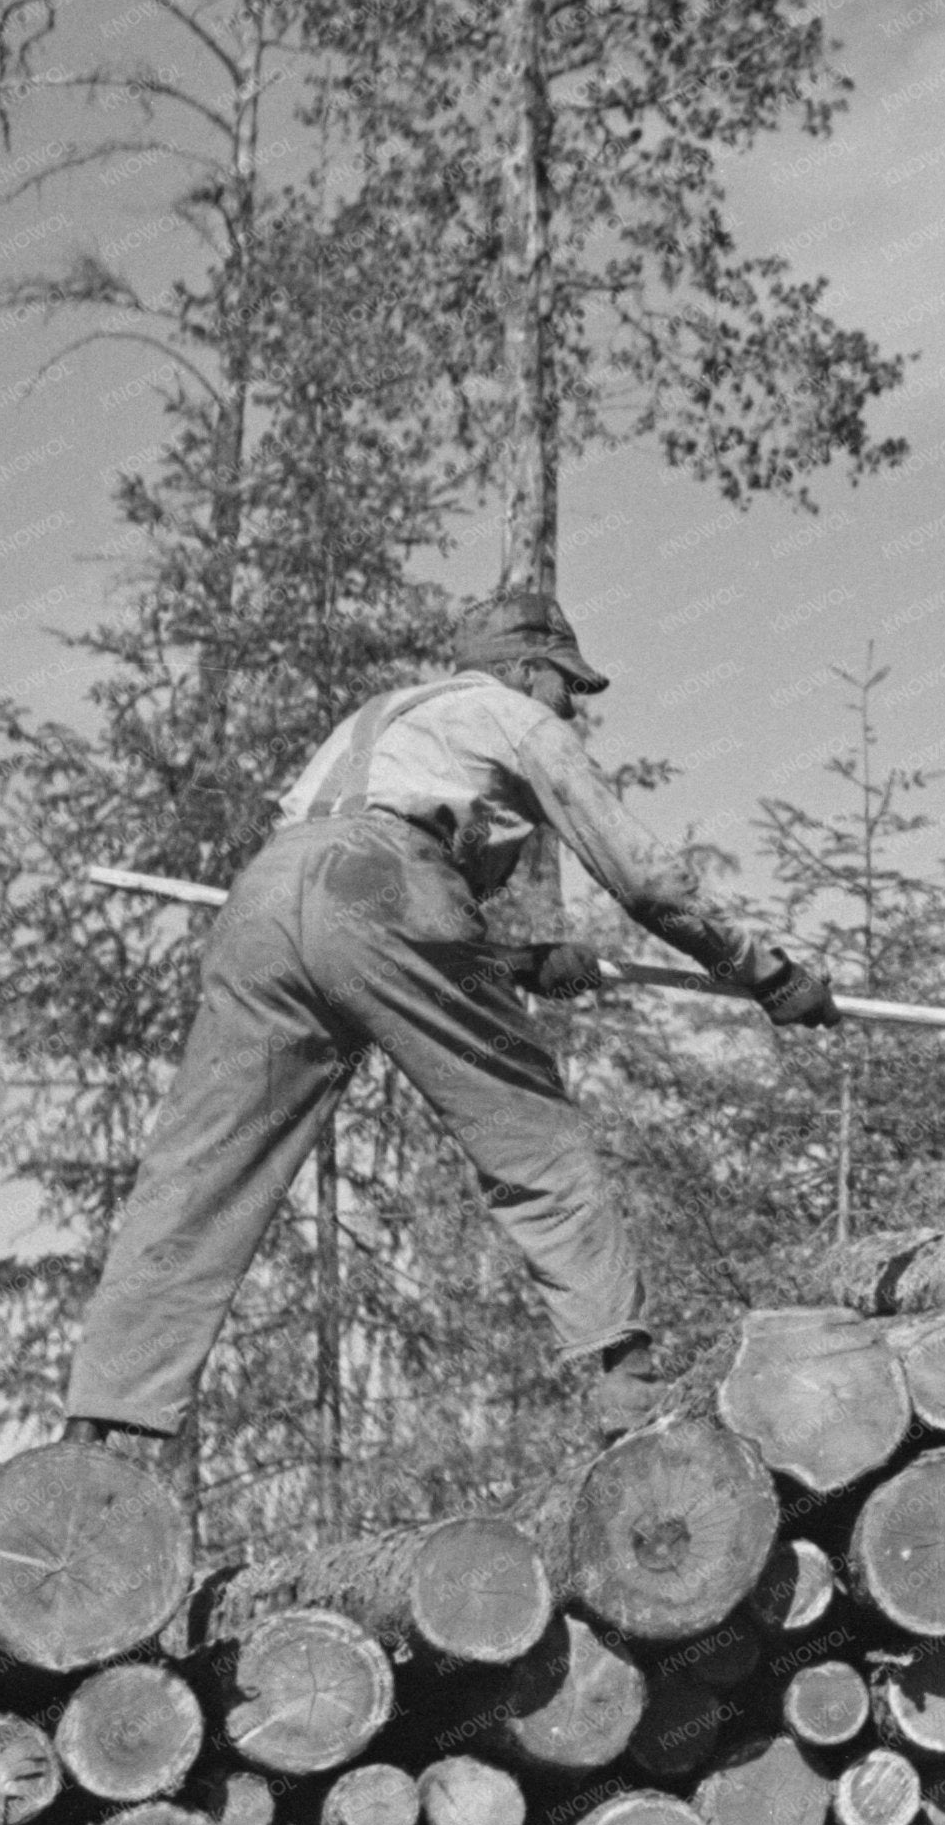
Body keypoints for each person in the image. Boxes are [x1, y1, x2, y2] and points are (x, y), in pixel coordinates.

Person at [64, 590, 842, 1450]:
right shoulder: (513, 715)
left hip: (263, 901)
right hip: (387, 890)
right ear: (522, 669)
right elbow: (645, 882)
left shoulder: (378, 720)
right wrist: (765, 975)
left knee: (201, 1163)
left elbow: (340, 914)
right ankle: (627, 1386)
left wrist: (511, 963)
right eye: (566, 686)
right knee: (529, 1131)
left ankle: (92, 1432)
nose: (571, 708)